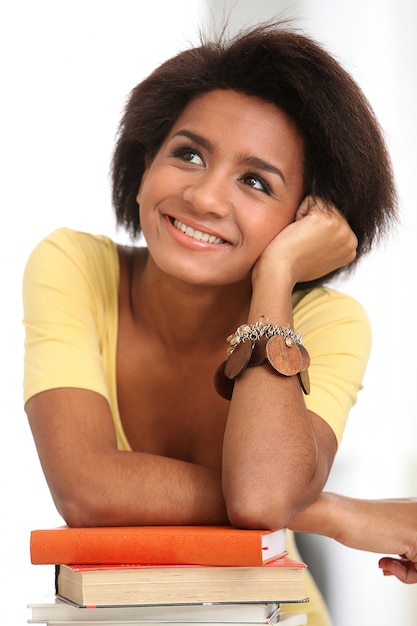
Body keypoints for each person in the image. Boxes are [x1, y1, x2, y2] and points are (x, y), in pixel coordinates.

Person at [22, 20, 417, 625]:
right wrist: (333, 510)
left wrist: (276, 274)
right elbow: (86, 489)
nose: (206, 199)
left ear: (306, 219)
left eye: (256, 182)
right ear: (145, 164)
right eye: (188, 153)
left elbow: (262, 497)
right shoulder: (74, 265)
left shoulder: (329, 323)